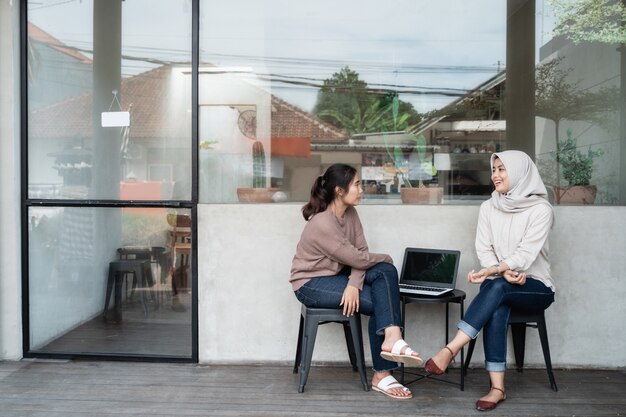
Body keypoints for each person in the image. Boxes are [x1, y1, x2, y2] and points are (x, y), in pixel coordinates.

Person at [424, 150, 555, 411]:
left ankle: (451, 349)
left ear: (519, 172)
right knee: (497, 301)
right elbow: (484, 248)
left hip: (535, 286)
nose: (495, 175)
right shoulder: (488, 206)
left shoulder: (541, 209)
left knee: (496, 287)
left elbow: (526, 254)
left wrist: (499, 269)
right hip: (501, 282)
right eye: (493, 169)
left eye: (502, 169)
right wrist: (499, 271)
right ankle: (497, 389)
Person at [290, 163, 422, 400]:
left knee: (384, 272)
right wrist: (385, 258)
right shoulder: (322, 223)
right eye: (357, 184)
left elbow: (360, 253)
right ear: (339, 190)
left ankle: (391, 339)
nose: (362, 189)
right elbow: (356, 258)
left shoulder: (351, 213)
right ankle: (383, 371)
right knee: (383, 281)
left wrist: (353, 283)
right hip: (310, 283)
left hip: (337, 274)